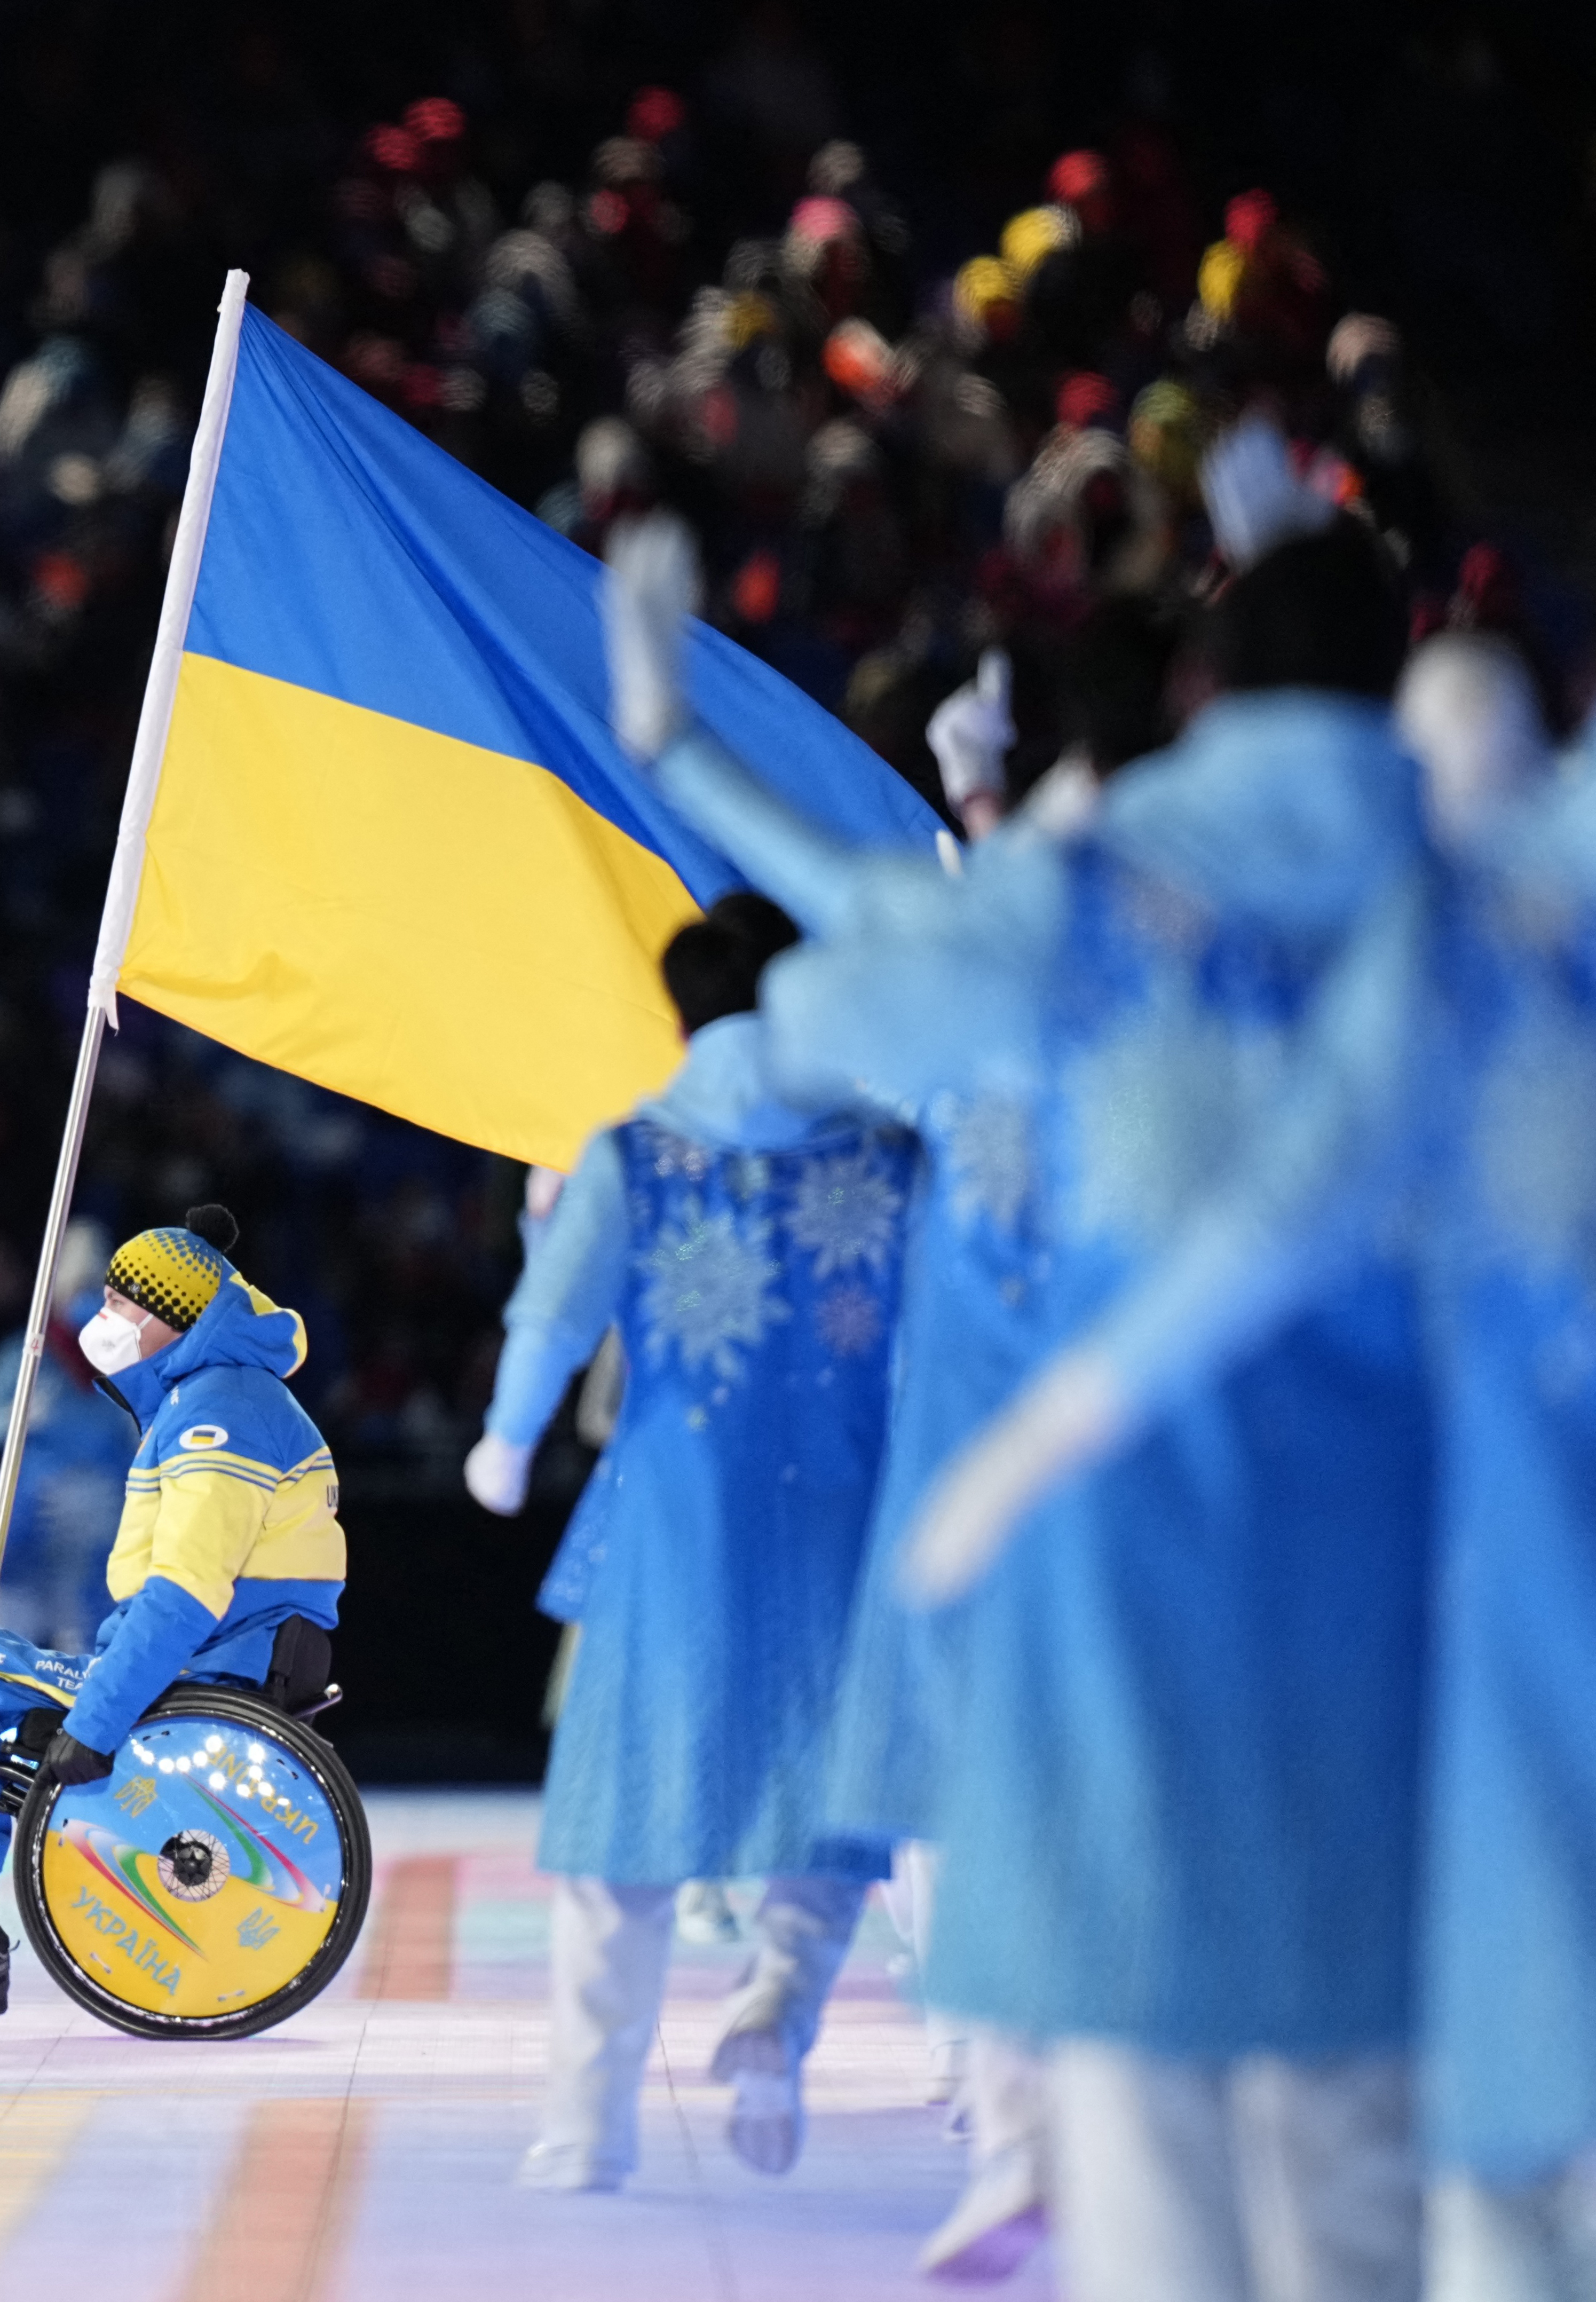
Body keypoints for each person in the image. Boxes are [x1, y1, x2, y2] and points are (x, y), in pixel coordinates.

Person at [751, 423, 1434, 2302]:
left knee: (1147, 2103)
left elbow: (821, 1008)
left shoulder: (1113, 881)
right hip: (1428, 1568)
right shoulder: (1497, 871)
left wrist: (1018, 825)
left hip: (1139, 1540)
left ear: (1208, 686)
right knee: (1375, 2140)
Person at [908, 636, 1596, 2302]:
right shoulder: (1453, 940)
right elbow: (1298, 1187)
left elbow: (1294, 1193)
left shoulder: (1456, 941)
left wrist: (1053, 1427)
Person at [636, 570, 1080, 2276]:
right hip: (1109, 1444)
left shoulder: (938, 1035)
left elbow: (837, 897)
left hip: (941, 1438)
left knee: (903, 1755)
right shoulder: (1165, 979)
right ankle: (1011, 2095)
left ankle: (802, 1993)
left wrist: (672, 742)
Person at [467, 888, 911, 2191]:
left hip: (672, 1526)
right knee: (833, 1797)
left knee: (621, 1818)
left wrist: (505, 1439)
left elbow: (553, 1315)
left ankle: (585, 2128)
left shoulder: (637, 1155)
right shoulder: (888, 1156)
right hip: (843, 1518)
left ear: (679, 1016)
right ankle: (778, 1998)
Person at [0, 1204, 346, 2015]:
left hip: (204, 1669)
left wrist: (95, 1723)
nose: (102, 1317)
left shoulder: (218, 1415)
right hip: (220, 1656)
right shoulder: (214, 1396)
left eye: (120, 1304)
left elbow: (185, 1594)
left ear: (172, 1317)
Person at [0, 1217, 138, 1650]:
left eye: (94, 1283)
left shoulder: (127, 1364)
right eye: (75, 1281)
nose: (84, 1296)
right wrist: (16, 1416)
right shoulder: (31, 1354)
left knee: (82, 1649)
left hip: (96, 1542)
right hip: (32, 1525)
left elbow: (141, 1447)